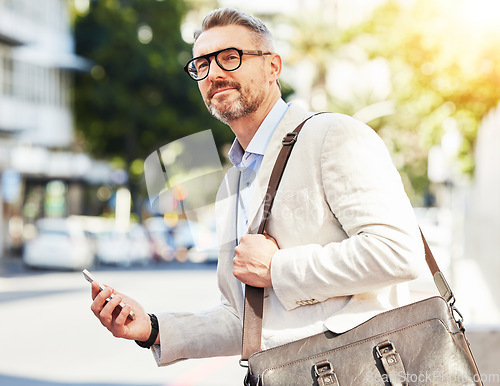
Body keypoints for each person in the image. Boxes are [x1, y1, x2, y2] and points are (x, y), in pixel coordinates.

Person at [90, 7, 423, 371]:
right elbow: (243, 320)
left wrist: (277, 267)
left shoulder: (332, 136)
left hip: (359, 372)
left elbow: (398, 252)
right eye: (201, 65)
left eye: (230, 58)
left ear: (273, 67)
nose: (214, 73)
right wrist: (152, 329)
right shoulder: (233, 183)